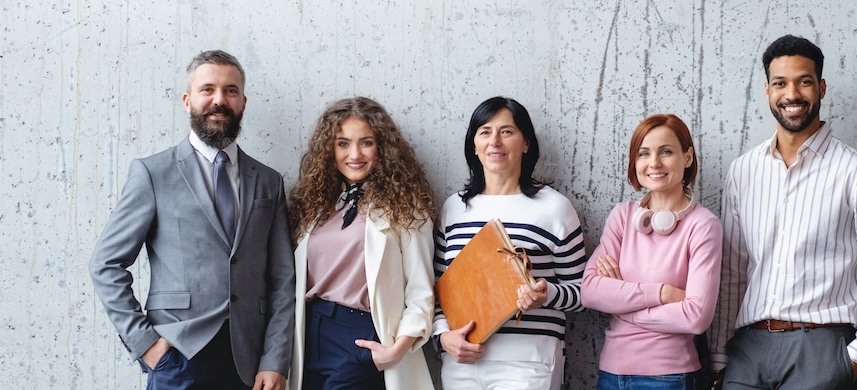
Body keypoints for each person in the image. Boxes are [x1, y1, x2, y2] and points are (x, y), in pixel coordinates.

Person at [707, 35, 857, 389]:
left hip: (822, 346)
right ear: (767, 90)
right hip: (747, 351)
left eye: (804, 81)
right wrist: (720, 357)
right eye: (780, 83)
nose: (792, 94)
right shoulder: (743, 170)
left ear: (822, 88)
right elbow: (732, 272)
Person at [89, 50, 294, 389]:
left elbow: (282, 278)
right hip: (178, 357)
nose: (219, 99)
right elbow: (106, 264)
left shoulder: (268, 181)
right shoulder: (152, 173)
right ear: (188, 101)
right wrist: (146, 346)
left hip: (250, 361)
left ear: (243, 102)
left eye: (230, 91)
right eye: (207, 89)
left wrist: (276, 360)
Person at [432, 96, 586, 390]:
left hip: (529, 362)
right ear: (474, 145)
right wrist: (442, 337)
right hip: (462, 360)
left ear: (525, 143)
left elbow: (584, 293)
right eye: (485, 132)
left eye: (507, 131)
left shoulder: (554, 208)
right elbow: (438, 288)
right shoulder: (454, 209)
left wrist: (547, 294)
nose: (495, 142)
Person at [286, 97, 437, 390]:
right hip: (309, 333)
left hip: (360, 336)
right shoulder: (314, 204)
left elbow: (421, 291)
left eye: (366, 142)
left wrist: (396, 350)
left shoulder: (406, 208)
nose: (354, 154)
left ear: (382, 147)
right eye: (343, 143)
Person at [581, 114, 722, 390]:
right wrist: (661, 294)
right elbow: (590, 290)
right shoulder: (622, 217)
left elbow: (695, 316)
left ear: (688, 157)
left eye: (666, 151)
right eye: (644, 153)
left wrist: (624, 307)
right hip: (611, 375)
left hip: (671, 378)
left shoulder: (703, 226)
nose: (654, 163)